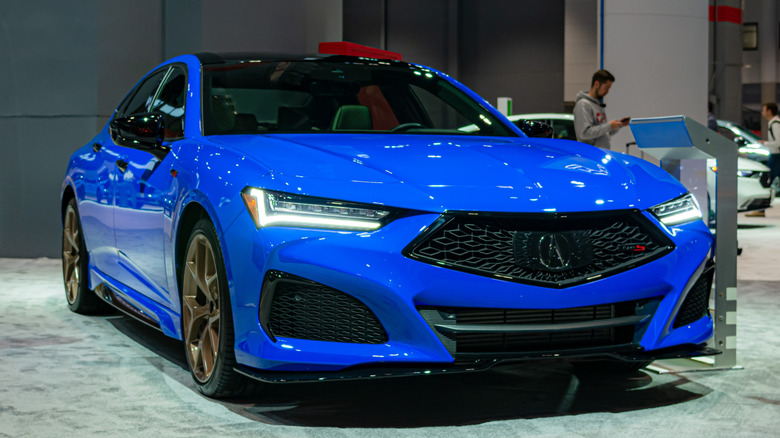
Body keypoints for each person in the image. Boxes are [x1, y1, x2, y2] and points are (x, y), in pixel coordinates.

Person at [573, 69, 629, 147]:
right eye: (606, 88)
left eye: (609, 88)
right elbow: (584, 133)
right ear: (596, 84)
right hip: (591, 154)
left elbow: (603, 133)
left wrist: (618, 125)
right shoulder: (583, 104)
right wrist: (608, 126)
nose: (607, 91)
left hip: (601, 153)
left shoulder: (598, 105)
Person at [745, 102, 780, 217]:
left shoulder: (775, 124)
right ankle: (761, 209)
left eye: (764, 110)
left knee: (766, 181)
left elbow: (778, 143)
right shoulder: (774, 123)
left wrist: (765, 143)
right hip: (775, 155)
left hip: (776, 156)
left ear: (769, 111)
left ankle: (761, 209)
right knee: (767, 181)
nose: (762, 112)